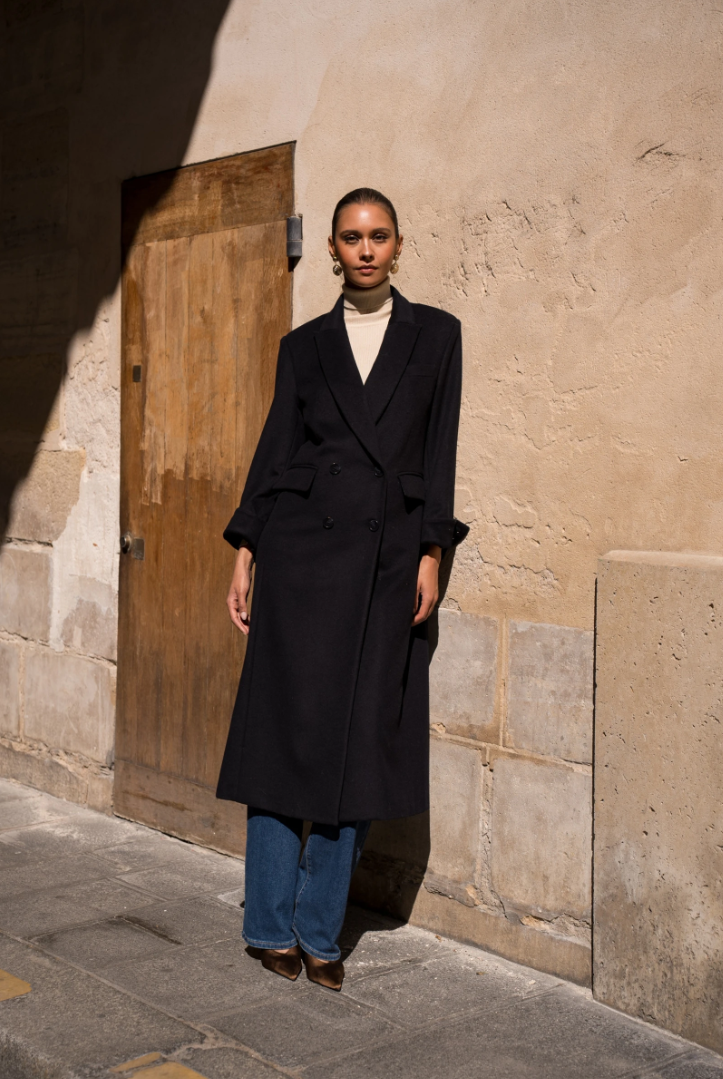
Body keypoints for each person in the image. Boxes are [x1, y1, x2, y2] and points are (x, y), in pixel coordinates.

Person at [217, 188, 468, 991]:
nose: (364, 249)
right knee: (279, 739)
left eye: (378, 235)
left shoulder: (436, 335)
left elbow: (439, 450)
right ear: (330, 247)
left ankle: (321, 930)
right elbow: (275, 451)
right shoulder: (304, 346)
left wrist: (430, 551)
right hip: (299, 559)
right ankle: (268, 923)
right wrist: (246, 550)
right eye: (351, 237)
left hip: (386, 562)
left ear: (397, 244)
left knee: (359, 745)